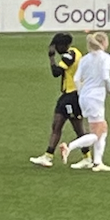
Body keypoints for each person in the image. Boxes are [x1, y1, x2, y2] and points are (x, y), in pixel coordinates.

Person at [61, 31, 110, 172]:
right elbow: (105, 75)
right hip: (96, 97)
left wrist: (81, 93)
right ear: (103, 42)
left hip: (85, 96)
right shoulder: (105, 58)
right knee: (97, 133)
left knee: (102, 129)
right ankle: (69, 147)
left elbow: (76, 79)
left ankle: (97, 162)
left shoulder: (85, 59)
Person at [31, 33, 89, 168]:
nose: (56, 49)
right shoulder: (75, 53)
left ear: (63, 45)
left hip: (72, 95)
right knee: (59, 125)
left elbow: (56, 72)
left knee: (75, 128)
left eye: (56, 46)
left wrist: (51, 58)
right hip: (68, 96)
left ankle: (87, 157)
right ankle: (48, 156)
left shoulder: (70, 54)